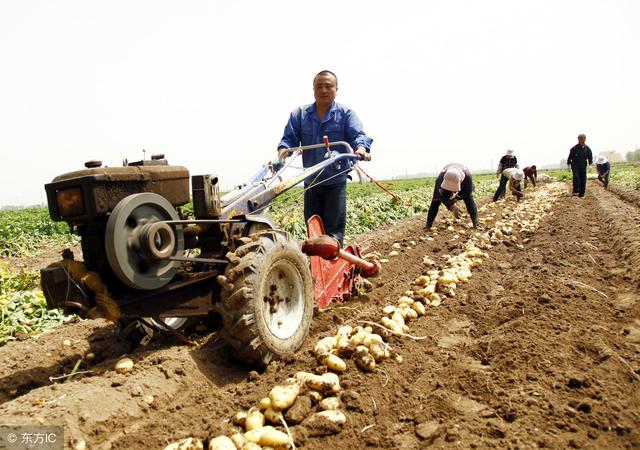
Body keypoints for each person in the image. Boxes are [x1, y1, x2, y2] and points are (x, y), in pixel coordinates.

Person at [277, 70, 372, 245]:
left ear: (336, 89)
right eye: (319, 86)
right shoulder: (299, 115)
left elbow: (359, 136)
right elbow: (288, 140)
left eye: (328, 86)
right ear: (313, 90)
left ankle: (333, 263)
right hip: (311, 183)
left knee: (333, 235)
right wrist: (283, 152)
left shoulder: (345, 114)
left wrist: (361, 149)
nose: (323, 90)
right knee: (313, 234)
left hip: (335, 182)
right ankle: (316, 269)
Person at [426, 163, 479, 230]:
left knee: (469, 200)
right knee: (435, 201)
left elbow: (467, 192)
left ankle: (476, 224)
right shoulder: (441, 178)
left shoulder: (467, 177)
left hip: (462, 180)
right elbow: (440, 195)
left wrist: (456, 198)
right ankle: (428, 225)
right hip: (444, 183)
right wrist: (452, 206)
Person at [567, 134, 593, 198]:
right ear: (578, 140)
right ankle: (575, 191)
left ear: (585, 140)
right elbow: (569, 158)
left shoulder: (587, 149)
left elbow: (590, 158)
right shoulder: (574, 148)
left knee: (583, 180)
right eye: (580, 139)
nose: (581, 140)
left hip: (583, 166)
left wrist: (590, 165)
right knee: (576, 177)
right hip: (575, 165)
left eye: (583, 139)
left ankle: (581, 194)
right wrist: (569, 165)